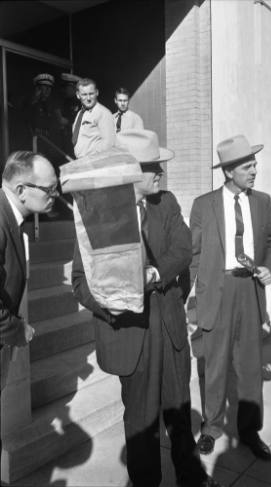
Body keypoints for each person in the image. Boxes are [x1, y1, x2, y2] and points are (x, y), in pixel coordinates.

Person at [72, 129, 221, 487]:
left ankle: (191, 476)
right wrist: (110, 305)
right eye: (154, 166)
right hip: (130, 334)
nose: (161, 173)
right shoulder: (97, 214)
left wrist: (153, 274)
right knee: (140, 421)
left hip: (168, 330)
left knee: (179, 411)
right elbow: (80, 280)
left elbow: (183, 251)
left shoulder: (165, 203)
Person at [190, 134, 271, 461]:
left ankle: (250, 432)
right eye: (247, 166)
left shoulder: (262, 202)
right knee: (214, 367)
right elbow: (194, 255)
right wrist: (187, 296)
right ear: (229, 172)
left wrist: (269, 267)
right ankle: (211, 427)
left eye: (254, 164)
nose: (255, 170)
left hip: (250, 291)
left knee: (250, 367)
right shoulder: (203, 205)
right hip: (217, 290)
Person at [0, 151, 58, 448]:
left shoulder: (12, 217)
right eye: (48, 189)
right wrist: (17, 329)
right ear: (21, 190)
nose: (55, 195)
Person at [72, 78, 116, 158]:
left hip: (94, 163)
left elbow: (109, 144)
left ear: (97, 93)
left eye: (91, 94)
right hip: (81, 162)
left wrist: (90, 157)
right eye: (84, 94)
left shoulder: (103, 113)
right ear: (78, 95)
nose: (88, 98)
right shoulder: (80, 113)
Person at [55, 73, 81, 157]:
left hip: (77, 142)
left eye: (67, 87)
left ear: (74, 88)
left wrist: (67, 123)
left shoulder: (81, 103)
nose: (65, 90)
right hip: (65, 141)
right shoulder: (65, 102)